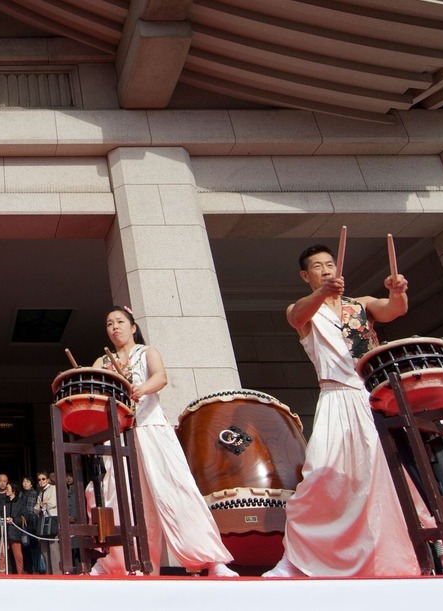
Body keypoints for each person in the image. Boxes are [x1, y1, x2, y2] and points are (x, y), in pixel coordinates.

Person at [262, 244, 420, 578]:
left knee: (386, 473)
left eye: (330, 264)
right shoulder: (306, 309)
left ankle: (400, 551)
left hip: (372, 395)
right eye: (318, 266)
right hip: (335, 397)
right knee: (321, 474)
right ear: (306, 275)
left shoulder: (360, 304)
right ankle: (298, 557)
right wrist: (322, 293)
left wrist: (397, 292)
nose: (326, 270)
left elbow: (393, 310)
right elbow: (296, 316)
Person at [91, 307, 237, 577]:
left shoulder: (147, 352)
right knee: (122, 499)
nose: (115, 327)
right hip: (120, 435)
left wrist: (140, 389)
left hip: (151, 427)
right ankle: (125, 565)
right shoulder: (103, 360)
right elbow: (93, 385)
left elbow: (160, 377)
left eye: (120, 322)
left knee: (176, 490)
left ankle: (210, 560)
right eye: (109, 324)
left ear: (133, 327)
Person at [34, 471, 61, 575]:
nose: (41, 481)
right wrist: (42, 504)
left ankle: (56, 573)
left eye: (43, 479)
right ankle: (48, 573)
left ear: (48, 479)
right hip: (43, 520)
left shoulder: (53, 488)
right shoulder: (40, 493)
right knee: (44, 549)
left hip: (52, 519)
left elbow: (53, 503)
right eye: (39, 479)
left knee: (53, 549)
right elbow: (36, 509)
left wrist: (44, 503)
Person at [18, 476, 39, 573]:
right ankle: (28, 569)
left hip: (32, 523)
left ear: (31, 484)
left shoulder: (34, 493)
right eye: (24, 481)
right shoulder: (21, 494)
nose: (25, 483)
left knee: (33, 547)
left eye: (27, 481)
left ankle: (36, 568)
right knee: (25, 547)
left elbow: (31, 510)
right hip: (23, 524)